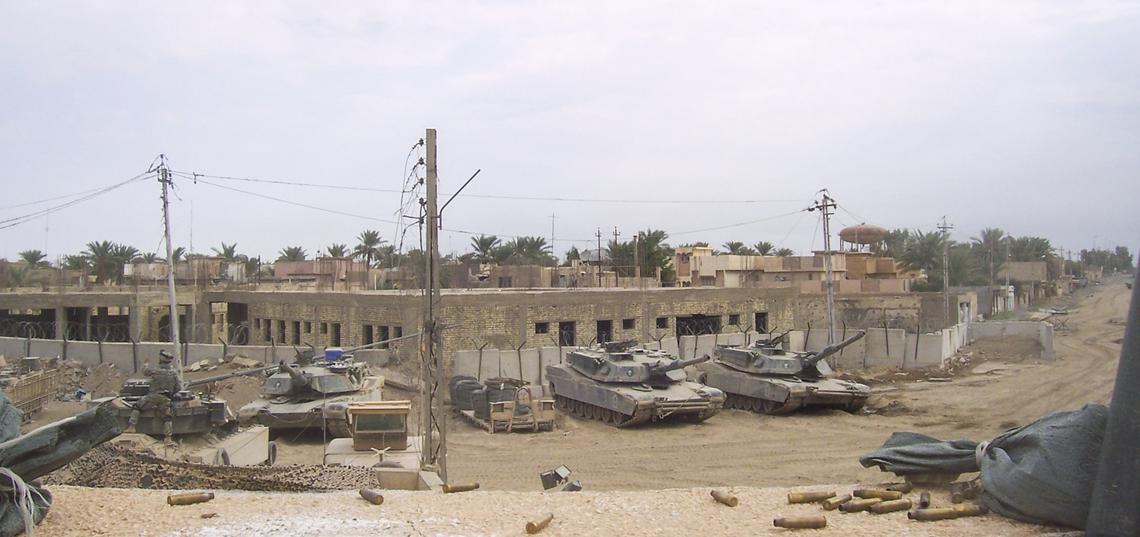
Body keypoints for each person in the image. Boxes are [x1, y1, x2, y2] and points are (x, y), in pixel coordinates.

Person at [128, 350, 180, 444]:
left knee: (137, 406)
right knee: (167, 417)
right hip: (166, 398)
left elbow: (144, 371)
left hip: (153, 396)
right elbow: (178, 388)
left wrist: (145, 363)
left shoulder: (156, 371)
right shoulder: (174, 373)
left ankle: (132, 427)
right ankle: (168, 438)